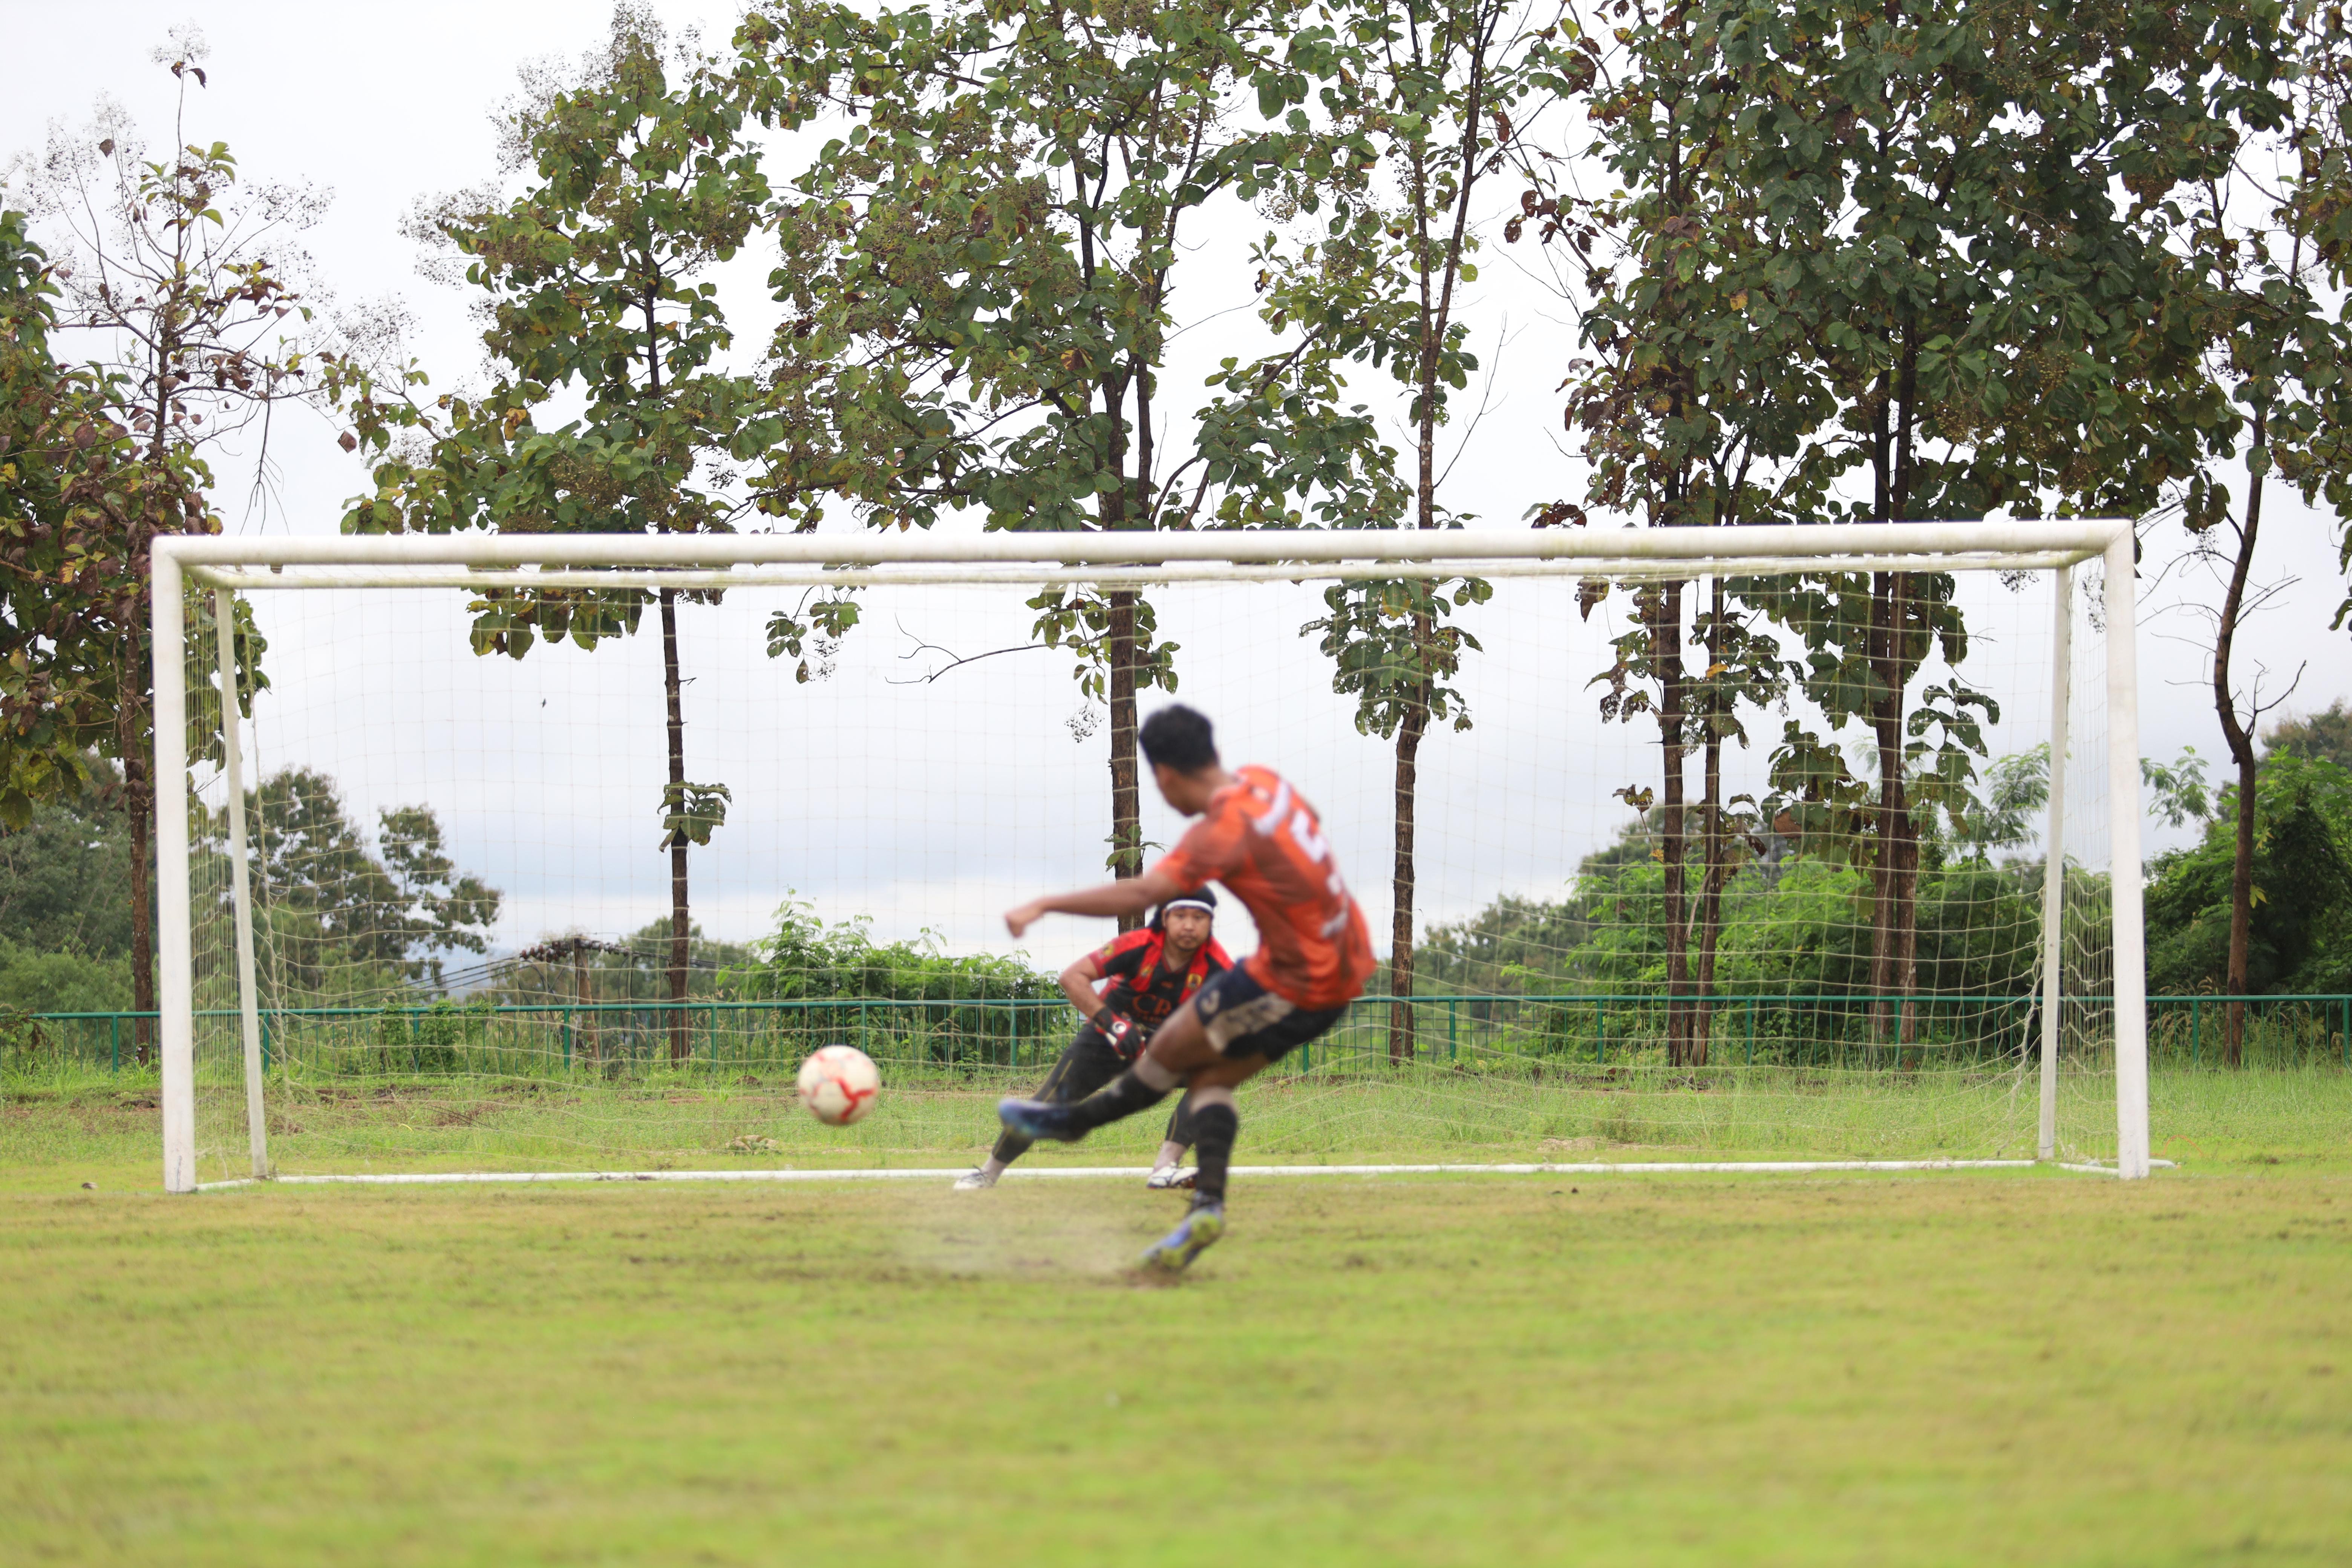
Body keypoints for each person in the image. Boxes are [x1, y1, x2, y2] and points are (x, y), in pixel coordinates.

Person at [999, 704, 1374, 1274]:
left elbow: (1137, 895)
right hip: (1337, 962)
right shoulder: (1267, 784)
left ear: (1165, 777)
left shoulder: (1220, 831)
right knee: (1211, 1078)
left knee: (1173, 1048)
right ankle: (1207, 1209)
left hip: (1302, 979)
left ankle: (1074, 1124)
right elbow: (1311, 820)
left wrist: (1044, 903)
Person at [954, 888, 1232, 1191]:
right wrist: (1113, 1024)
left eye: (1199, 917)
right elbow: (1073, 977)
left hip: (1164, 1048)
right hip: (1107, 1037)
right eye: (1181, 916)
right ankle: (987, 1173)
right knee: (1047, 1103)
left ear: (1210, 922)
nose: (1189, 925)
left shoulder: (1219, 964)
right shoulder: (1137, 945)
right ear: (1165, 919)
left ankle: (1165, 1168)